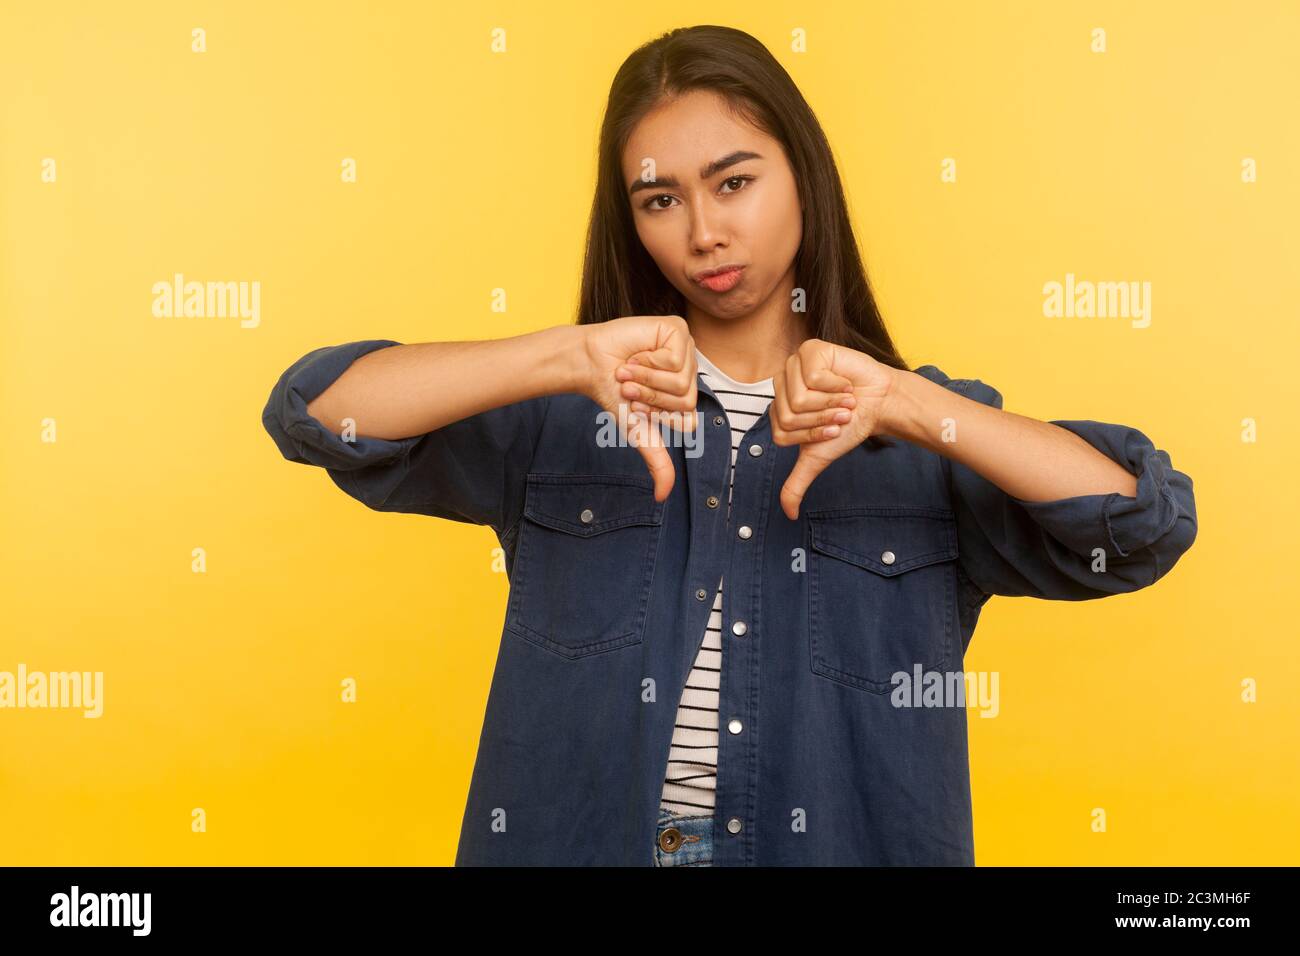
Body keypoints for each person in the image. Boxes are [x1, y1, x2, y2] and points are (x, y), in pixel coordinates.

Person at [261, 25, 1197, 866]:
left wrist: (908, 404)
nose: (704, 233)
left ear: (804, 177)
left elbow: (1142, 523)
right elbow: (316, 412)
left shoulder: (920, 434)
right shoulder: (568, 413)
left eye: (735, 182)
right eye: (660, 200)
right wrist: (563, 352)